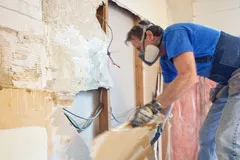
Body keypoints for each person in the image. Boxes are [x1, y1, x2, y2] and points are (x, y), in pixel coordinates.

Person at [125, 20, 240, 160]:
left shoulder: (173, 33)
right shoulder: (166, 62)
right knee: (206, 137)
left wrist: (152, 107)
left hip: (237, 75)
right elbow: (168, 99)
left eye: (139, 48)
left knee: (227, 140)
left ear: (149, 35)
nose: (141, 54)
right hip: (229, 81)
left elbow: (188, 76)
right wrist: (157, 126)